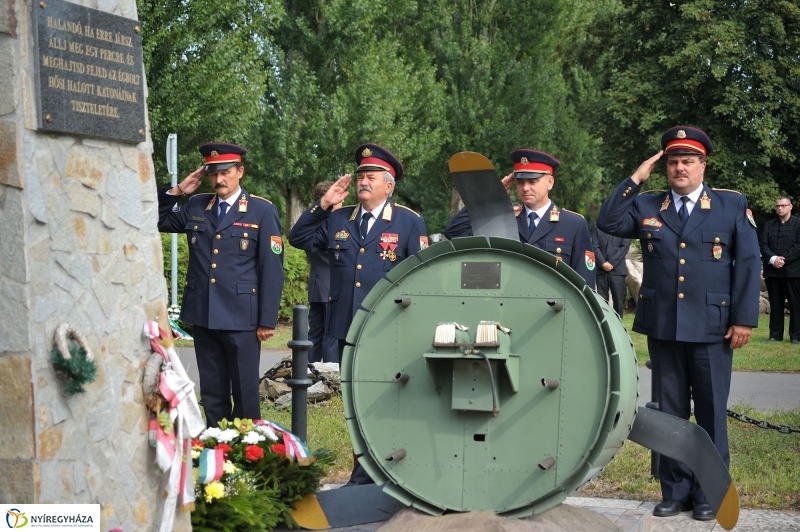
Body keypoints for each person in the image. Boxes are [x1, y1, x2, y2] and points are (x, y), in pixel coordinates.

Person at [596, 126, 761, 521]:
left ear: (703, 166)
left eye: (688, 161)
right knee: (670, 412)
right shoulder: (648, 205)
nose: (679, 168)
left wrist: (743, 319)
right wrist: (636, 178)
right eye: (673, 161)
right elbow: (607, 221)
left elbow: (749, 263)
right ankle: (675, 490)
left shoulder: (729, 205)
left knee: (709, 411)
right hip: (665, 326)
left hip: (712, 327)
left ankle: (709, 492)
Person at [158, 142, 284, 429]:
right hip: (204, 314)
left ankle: (249, 451)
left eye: (225, 172)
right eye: (213, 174)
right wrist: (178, 191)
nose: (219, 180)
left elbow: (271, 268)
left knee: (244, 391)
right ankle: (217, 451)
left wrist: (267, 319)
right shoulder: (198, 205)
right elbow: (158, 219)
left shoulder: (260, 210)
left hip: (242, 317)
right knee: (212, 392)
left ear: (240, 171)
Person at [288, 143, 428, 362]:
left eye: (371, 178)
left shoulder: (409, 221)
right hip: (344, 322)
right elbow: (299, 238)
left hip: (386, 323)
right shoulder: (339, 218)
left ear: (388, 187)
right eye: (361, 177)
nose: (363, 182)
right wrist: (323, 204)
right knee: (346, 390)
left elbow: (421, 276)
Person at [444, 149, 596, 287]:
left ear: (550, 182)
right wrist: (488, 198)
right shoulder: (504, 219)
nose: (525, 188)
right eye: (520, 182)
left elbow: (584, 283)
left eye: (532, 181)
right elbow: (455, 232)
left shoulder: (573, 225)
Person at [306, 181, 340, 363]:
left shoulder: (311, 221)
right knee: (331, 335)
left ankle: (308, 372)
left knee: (315, 334)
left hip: (317, 284)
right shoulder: (333, 222)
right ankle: (330, 377)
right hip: (332, 285)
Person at [760, 196, 800, 344]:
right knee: (775, 304)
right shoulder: (769, 225)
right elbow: (763, 246)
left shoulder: (798, 224)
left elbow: (799, 246)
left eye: (783, 206)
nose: (780, 208)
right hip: (773, 272)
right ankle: (775, 335)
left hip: (793, 272)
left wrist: (784, 259)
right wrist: (773, 259)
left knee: (796, 304)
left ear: (790, 207)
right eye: (778, 206)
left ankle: (796, 336)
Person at [592, 223, 631, 316]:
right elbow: (595, 245)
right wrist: (602, 263)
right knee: (602, 301)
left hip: (617, 270)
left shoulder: (625, 226)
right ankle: (604, 327)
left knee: (618, 301)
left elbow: (625, 246)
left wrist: (611, 263)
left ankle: (618, 328)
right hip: (601, 270)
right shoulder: (598, 225)